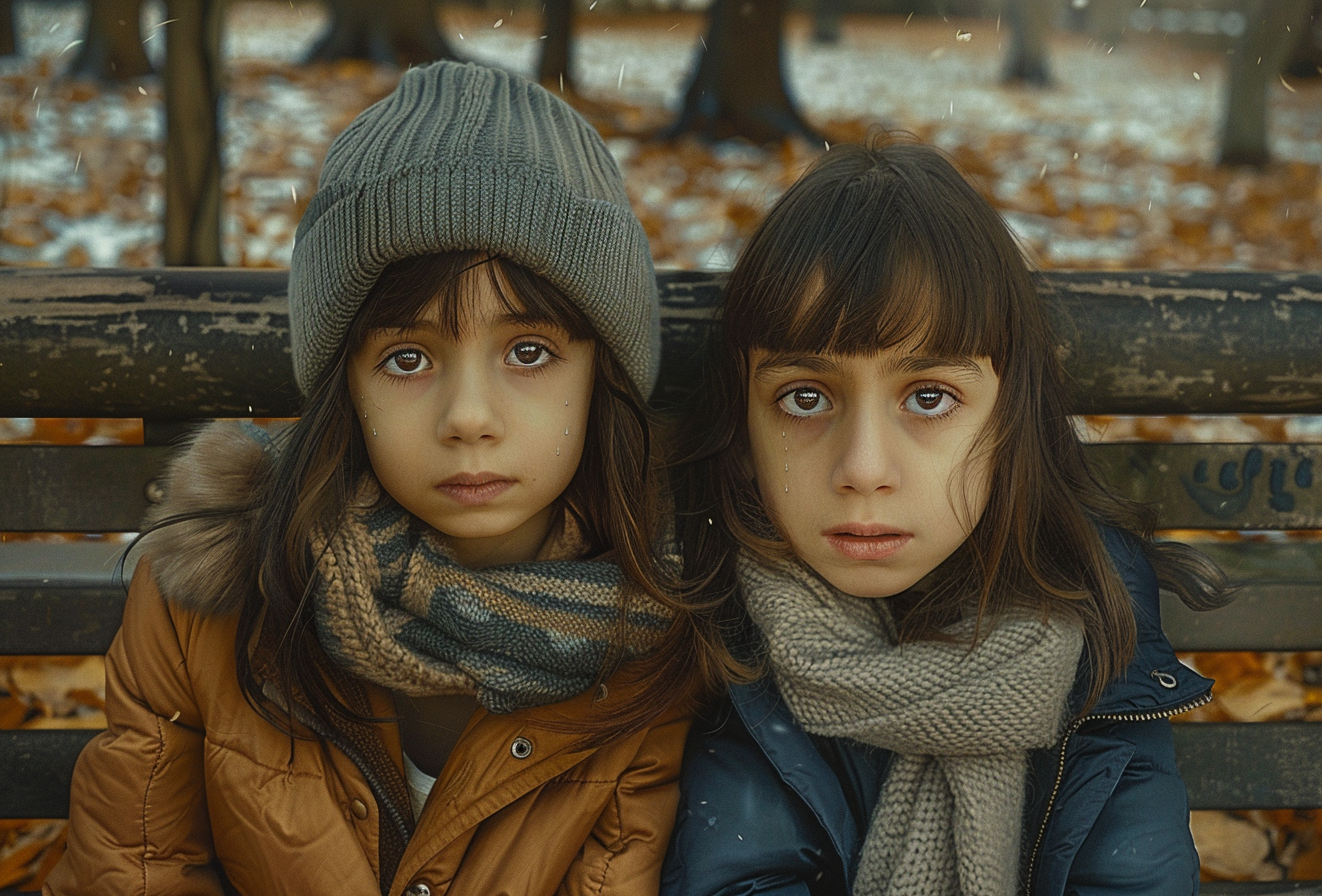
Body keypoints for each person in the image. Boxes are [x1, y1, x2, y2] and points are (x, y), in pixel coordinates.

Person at [47, 61, 725, 896]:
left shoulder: (652, 631)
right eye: (408, 358)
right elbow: (134, 871)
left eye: (528, 352)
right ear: (347, 388)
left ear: (601, 377)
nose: (468, 416)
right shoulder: (208, 603)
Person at [660, 136, 1232, 896]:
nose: (864, 467)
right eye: (805, 397)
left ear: (1009, 426)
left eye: (928, 397)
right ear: (744, 434)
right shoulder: (732, 638)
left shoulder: (1095, 631)